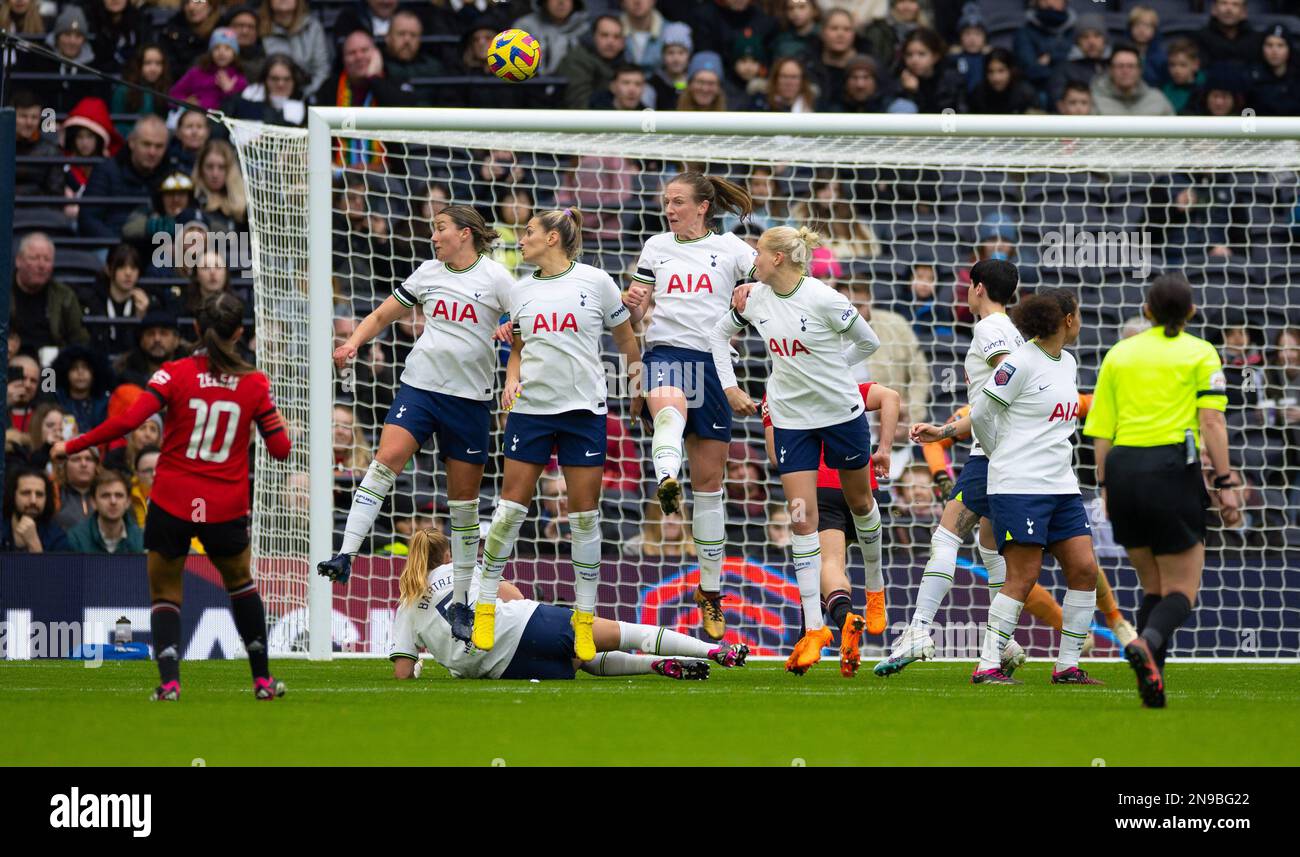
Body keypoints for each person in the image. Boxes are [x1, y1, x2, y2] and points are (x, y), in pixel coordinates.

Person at [52, 294, 292, 702]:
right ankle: (263, 682)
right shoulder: (255, 383)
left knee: (165, 591)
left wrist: (73, 446)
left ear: (196, 330)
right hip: (224, 506)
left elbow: (129, 420)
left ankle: (169, 684)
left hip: (172, 501)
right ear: (239, 333)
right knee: (240, 585)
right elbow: (282, 450)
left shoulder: (173, 374)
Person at [319, 206, 515, 640]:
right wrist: (351, 342)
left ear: (465, 234)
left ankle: (462, 601)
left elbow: (526, 319)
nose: (434, 236)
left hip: (469, 402)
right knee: (387, 458)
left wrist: (511, 333)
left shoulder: (497, 279)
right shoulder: (428, 272)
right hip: (420, 388)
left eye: (440, 229)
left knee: (462, 503)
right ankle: (346, 554)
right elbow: (381, 316)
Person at [710, 226, 882, 676]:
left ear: (780, 258)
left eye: (759, 255)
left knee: (861, 503)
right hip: (791, 420)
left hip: (840, 413)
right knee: (801, 517)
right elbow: (717, 337)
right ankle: (813, 629)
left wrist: (827, 369)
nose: (753, 261)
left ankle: (877, 588)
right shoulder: (755, 300)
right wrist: (729, 388)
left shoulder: (825, 298)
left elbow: (869, 343)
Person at [472, 208, 641, 663]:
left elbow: (626, 338)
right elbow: (519, 347)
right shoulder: (521, 291)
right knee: (509, 511)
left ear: (552, 238)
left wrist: (637, 387)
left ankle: (585, 619)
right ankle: (485, 603)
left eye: (528, 232)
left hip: (584, 412)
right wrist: (510, 378)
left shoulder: (596, 281)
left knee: (584, 518)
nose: (521, 239)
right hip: (530, 412)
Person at [1084, 274, 1239, 708]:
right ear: (1191, 312)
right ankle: (1147, 644)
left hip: (1122, 472)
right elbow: (1211, 422)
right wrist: (1225, 483)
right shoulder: (1201, 352)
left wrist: (1104, 487)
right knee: (1182, 591)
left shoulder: (1120, 353)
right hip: (1171, 469)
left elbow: (1101, 430)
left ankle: (1152, 683)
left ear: (1147, 311)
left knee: (1152, 586)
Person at [621, 172, 756, 640]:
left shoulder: (736, 251)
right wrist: (633, 304)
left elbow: (776, 283)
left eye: (678, 201)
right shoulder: (656, 246)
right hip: (666, 353)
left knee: (711, 487)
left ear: (703, 206)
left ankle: (711, 592)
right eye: (666, 202)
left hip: (715, 362)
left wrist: (749, 293)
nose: (669, 208)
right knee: (668, 410)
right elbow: (635, 314)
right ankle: (664, 477)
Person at [390, 529, 748, 681]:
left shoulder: (406, 605)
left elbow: (403, 671)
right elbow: (511, 598)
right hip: (522, 625)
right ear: (448, 554)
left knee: (582, 661)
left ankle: (655, 665)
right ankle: (714, 650)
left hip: (500, 668)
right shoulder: (462, 568)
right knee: (621, 633)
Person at [968, 288, 1101, 686]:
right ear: (1066, 320)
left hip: (1062, 485)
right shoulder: (1019, 362)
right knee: (1023, 576)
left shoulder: (1069, 362)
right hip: (1018, 485)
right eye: (1077, 314)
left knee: (1084, 569)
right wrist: (1000, 452)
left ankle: (1067, 666)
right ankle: (988, 665)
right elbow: (980, 413)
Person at [762, 380, 898, 675]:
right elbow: (891, 397)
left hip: (820, 488)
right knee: (827, 567)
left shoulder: (777, 389)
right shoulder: (841, 382)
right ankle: (805, 637)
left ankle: (844, 619)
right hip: (863, 487)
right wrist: (885, 449)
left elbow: (776, 456)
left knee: (827, 565)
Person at [66, 470, 144, 555]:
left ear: (128, 502)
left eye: (119, 495)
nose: (113, 501)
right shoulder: (76, 538)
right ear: (93, 502)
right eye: (105, 496)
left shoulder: (141, 539)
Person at [1, 467, 68, 553]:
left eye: (39, 494)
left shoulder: (57, 536)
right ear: (12, 495)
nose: (33, 501)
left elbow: (59, 566)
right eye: (26, 493)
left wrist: (34, 544)